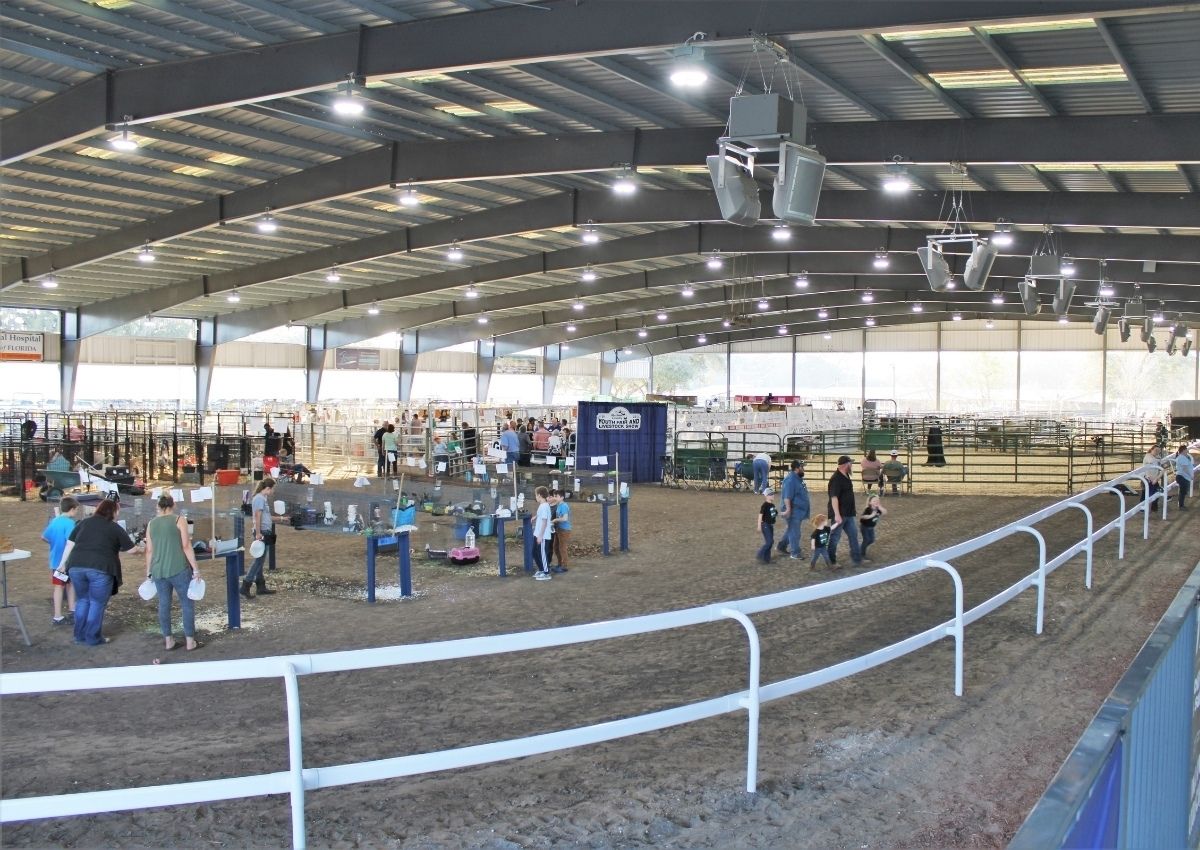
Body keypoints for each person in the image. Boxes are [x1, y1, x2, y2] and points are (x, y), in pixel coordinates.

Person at [59, 498, 138, 646]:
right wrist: (143, 549)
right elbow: (131, 549)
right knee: (96, 603)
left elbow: (70, 543)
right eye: (117, 511)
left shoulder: (84, 522)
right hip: (100, 568)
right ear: (113, 511)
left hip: (76, 566)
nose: (118, 514)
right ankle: (93, 637)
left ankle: (79, 635)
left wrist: (62, 564)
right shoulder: (114, 527)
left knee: (82, 600)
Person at [143, 494, 202, 652]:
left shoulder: (151, 524)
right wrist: (195, 568)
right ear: (172, 505)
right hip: (178, 568)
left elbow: (149, 550)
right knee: (187, 602)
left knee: (164, 604)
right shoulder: (179, 520)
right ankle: (190, 641)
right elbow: (186, 545)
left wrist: (148, 571)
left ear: (159, 506)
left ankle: (168, 640)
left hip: (158, 570)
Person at [42, 496, 79, 625]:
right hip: (66, 562)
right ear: (72, 509)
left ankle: (61, 614)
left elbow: (44, 537)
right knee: (69, 585)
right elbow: (72, 542)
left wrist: (54, 544)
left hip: (55, 560)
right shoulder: (70, 523)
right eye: (76, 510)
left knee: (60, 586)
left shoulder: (55, 521)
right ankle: (69, 611)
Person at [243, 477, 278, 599]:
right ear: (268, 488)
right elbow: (258, 516)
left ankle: (260, 585)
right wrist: (258, 533)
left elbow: (265, 517)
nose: (273, 491)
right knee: (259, 560)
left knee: (260, 559)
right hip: (262, 532)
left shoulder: (262, 498)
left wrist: (281, 518)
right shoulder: (259, 499)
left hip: (263, 530)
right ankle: (246, 584)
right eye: (273, 489)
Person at [827, 455, 864, 567]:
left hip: (848, 513)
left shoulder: (846, 475)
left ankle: (857, 558)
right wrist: (837, 515)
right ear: (845, 465)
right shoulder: (836, 479)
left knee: (853, 535)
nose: (851, 465)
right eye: (850, 463)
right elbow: (834, 498)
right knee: (835, 538)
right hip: (840, 515)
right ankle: (831, 561)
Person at [775, 460, 810, 560]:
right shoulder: (790, 480)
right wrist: (788, 509)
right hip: (793, 509)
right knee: (795, 532)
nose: (803, 469)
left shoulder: (797, 478)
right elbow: (787, 497)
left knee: (791, 529)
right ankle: (795, 553)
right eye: (802, 467)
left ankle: (781, 546)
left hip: (797, 509)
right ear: (797, 468)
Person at [532, 486, 554, 581]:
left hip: (543, 535)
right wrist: (535, 517)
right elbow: (542, 516)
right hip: (538, 534)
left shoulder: (544, 506)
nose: (535, 497)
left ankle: (546, 573)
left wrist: (540, 536)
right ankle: (541, 569)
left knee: (542, 554)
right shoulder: (542, 505)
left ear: (540, 495)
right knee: (535, 552)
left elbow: (545, 521)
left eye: (536, 495)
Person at [550, 489, 571, 574]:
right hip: (559, 529)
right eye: (554, 496)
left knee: (562, 548)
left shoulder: (564, 506)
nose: (555, 498)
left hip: (564, 530)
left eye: (556, 496)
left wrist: (555, 520)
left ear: (562, 497)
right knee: (556, 547)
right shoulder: (559, 505)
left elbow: (565, 518)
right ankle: (560, 564)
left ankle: (564, 566)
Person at [859, 495, 887, 560]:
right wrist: (871, 515)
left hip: (871, 528)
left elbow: (885, 512)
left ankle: (860, 548)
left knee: (871, 540)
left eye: (877, 501)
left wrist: (880, 507)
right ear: (870, 503)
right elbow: (862, 517)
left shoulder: (878, 509)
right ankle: (862, 554)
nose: (876, 502)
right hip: (864, 527)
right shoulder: (868, 509)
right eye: (874, 501)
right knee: (866, 540)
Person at [756, 488, 778, 564]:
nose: (773, 495)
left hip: (770, 525)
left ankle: (767, 559)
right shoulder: (764, 505)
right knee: (769, 542)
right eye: (771, 494)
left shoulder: (772, 505)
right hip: (765, 525)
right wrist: (759, 526)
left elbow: (774, 514)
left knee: (770, 542)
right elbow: (760, 515)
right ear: (767, 496)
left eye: (773, 494)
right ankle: (760, 554)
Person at [1173, 444, 1194, 510]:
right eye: (1186, 449)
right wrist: (1190, 475)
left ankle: (1181, 505)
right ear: (1183, 450)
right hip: (1183, 476)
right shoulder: (1182, 458)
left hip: (1183, 476)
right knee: (1183, 492)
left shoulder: (1183, 457)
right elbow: (1185, 468)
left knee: (1183, 492)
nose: (1187, 450)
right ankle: (1181, 506)